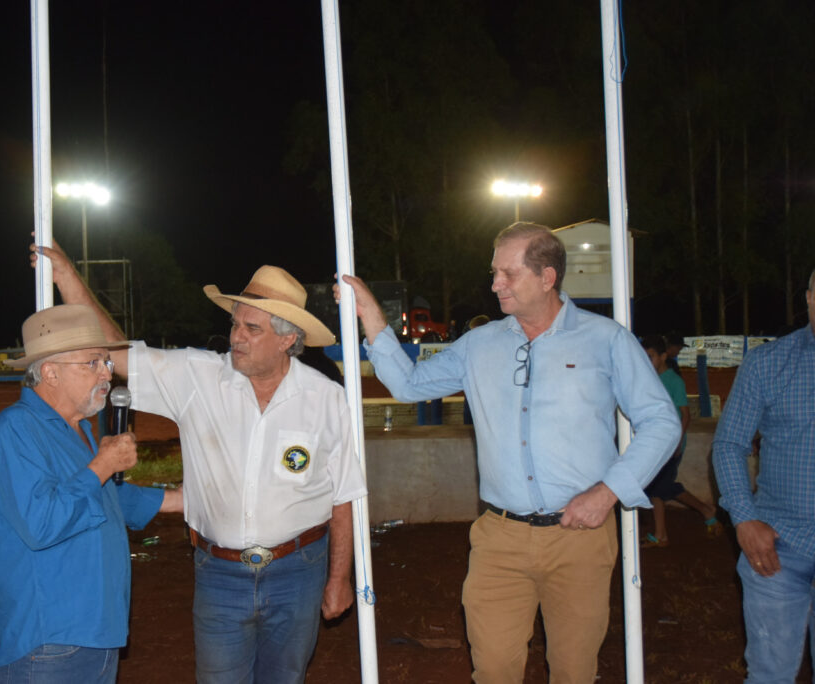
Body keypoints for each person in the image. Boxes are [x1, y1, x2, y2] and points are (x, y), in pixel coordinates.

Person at [340, 222, 680, 683]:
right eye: (494, 273)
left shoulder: (606, 339)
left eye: (508, 273)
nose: (495, 284)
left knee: (574, 672)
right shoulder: (480, 344)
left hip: (580, 538)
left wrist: (608, 493)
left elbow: (661, 422)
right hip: (499, 540)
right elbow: (409, 385)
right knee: (494, 670)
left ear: (547, 277)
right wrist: (370, 316)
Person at [34, 243, 367, 684]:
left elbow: (344, 495)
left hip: (298, 573)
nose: (236, 337)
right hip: (219, 574)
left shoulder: (326, 399)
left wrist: (339, 579)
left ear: (288, 339)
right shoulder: (198, 376)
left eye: (252, 328)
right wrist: (66, 276)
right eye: (235, 324)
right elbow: (117, 352)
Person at [0, 304, 182, 682]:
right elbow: (42, 522)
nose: (107, 374)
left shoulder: (78, 429)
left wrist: (178, 500)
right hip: (51, 638)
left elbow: (101, 498)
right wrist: (102, 465)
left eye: (107, 362)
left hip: (96, 628)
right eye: (92, 362)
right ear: (50, 372)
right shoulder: (17, 429)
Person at [713, 268, 815, 683]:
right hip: (778, 547)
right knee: (770, 675)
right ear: (808, 298)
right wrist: (744, 518)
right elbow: (728, 444)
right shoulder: (769, 362)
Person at [639, 334, 721, 547]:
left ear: (663, 356)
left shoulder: (673, 381)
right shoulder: (649, 379)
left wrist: (677, 442)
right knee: (658, 488)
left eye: (650, 356)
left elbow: (685, 415)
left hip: (671, 444)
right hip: (657, 443)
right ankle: (663, 533)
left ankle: (702, 512)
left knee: (659, 487)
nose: (647, 361)